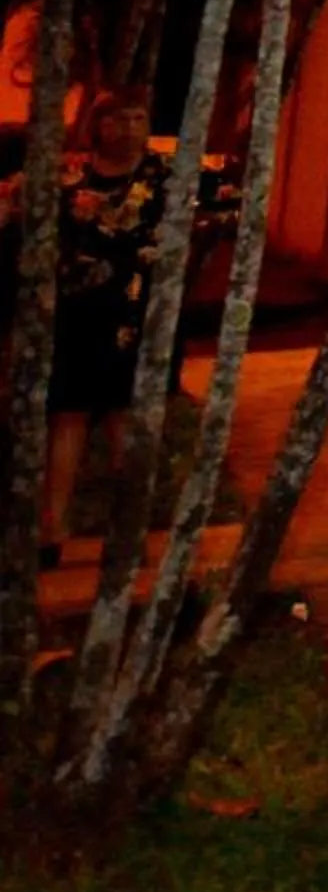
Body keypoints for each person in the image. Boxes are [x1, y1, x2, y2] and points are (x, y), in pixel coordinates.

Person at [4, 92, 174, 560]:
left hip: (134, 308)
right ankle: (52, 528)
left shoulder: (162, 176)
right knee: (68, 414)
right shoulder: (70, 172)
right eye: (119, 118)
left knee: (126, 419)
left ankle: (129, 531)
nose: (129, 128)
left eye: (138, 117)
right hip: (75, 307)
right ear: (98, 125)